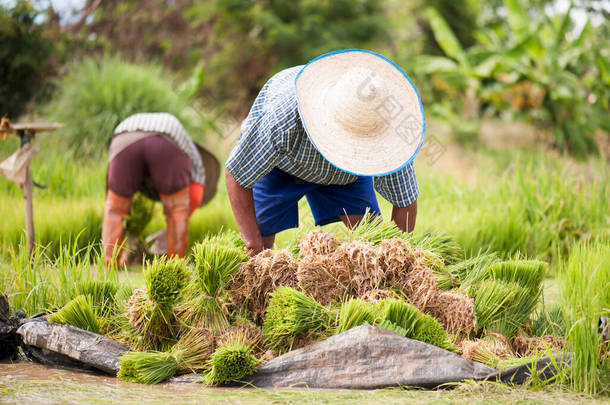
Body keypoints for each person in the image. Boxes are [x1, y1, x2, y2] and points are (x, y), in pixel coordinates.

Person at [225, 49, 425, 256]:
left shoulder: (389, 138)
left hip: (346, 176)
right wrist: (253, 242)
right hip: (281, 165)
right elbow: (236, 175)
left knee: (371, 246)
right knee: (259, 249)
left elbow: (405, 202)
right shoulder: (283, 119)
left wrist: (397, 259)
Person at [101, 112, 207, 265]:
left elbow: (110, 176)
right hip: (165, 143)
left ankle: (108, 265)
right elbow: (197, 187)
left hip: (124, 142)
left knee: (115, 210)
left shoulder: (132, 121)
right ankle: (175, 267)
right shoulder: (189, 147)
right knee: (177, 211)